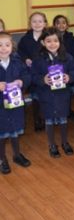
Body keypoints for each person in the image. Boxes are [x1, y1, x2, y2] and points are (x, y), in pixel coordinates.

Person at [31, 28, 74, 158]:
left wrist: (69, 77)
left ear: (60, 41)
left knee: (63, 119)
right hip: (46, 95)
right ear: (43, 43)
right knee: (49, 120)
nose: (52, 44)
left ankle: (65, 142)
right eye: (48, 41)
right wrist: (43, 80)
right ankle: (52, 144)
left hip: (62, 94)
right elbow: (33, 75)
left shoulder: (67, 57)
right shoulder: (38, 59)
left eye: (55, 41)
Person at [0, 32, 31, 174]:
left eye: (7, 45)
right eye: (0, 45)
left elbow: (26, 75)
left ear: (12, 46)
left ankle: (17, 154)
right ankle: (2, 158)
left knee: (15, 131)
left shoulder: (17, 61)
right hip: (1, 107)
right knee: (2, 132)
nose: (3, 48)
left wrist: (21, 81)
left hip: (15, 103)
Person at [18, 12, 48, 131]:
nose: (37, 24)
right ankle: (38, 120)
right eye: (34, 21)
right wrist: (26, 59)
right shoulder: (25, 39)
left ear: (45, 23)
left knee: (45, 95)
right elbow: (20, 52)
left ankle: (47, 119)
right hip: (32, 72)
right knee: (35, 96)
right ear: (30, 24)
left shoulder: (48, 37)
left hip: (45, 71)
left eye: (40, 21)